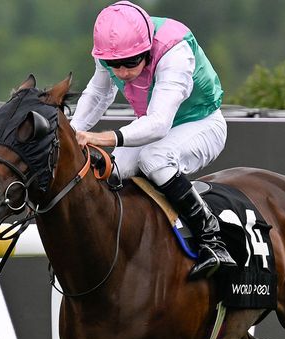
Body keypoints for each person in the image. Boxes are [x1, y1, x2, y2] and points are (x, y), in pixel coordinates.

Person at [71, 1, 235, 279]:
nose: (122, 72)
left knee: (154, 158)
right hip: (153, 126)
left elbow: (158, 125)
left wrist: (100, 137)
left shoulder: (175, 50)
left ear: (147, 48)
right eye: (114, 65)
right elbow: (99, 94)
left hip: (202, 123)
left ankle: (211, 237)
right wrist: (72, 132)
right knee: (110, 170)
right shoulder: (107, 52)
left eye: (131, 62)